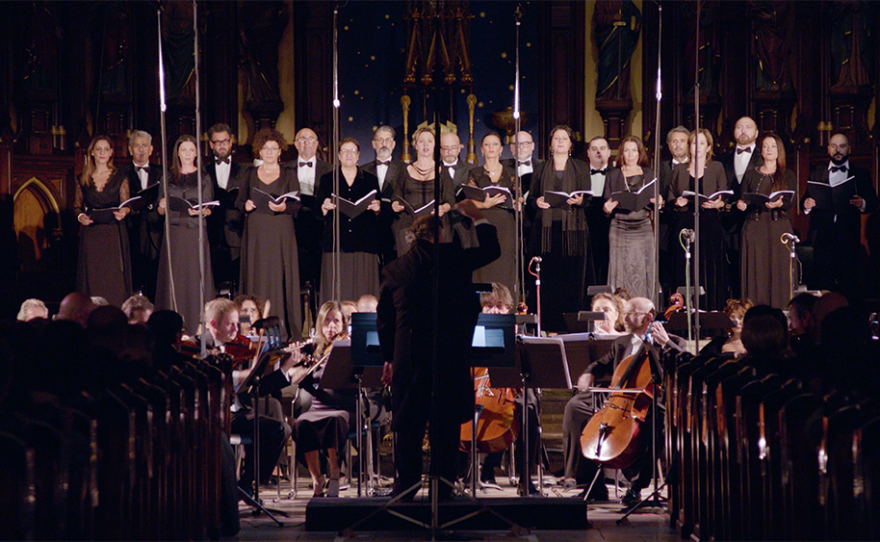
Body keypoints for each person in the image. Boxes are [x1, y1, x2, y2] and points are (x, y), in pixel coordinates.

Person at [377, 201, 501, 501]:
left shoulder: (396, 268)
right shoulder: (453, 259)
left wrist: (388, 358)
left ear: (414, 237)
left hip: (409, 355)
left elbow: (385, 319)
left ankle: (405, 487)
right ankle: (445, 487)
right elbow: (491, 250)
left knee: (408, 424)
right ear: (441, 234)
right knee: (445, 423)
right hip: (448, 353)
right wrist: (477, 217)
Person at [570, 297, 685, 505]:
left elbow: (685, 364)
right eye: (625, 312)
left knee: (656, 426)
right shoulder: (621, 343)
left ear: (649, 317)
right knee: (584, 417)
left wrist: (665, 344)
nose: (625, 317)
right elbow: (601, 363)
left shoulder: (674, 341)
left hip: (655, 404)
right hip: (621, 403)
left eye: (632, 312)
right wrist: (589, 373)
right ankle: (594, 486)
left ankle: (637, 486)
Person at [208, 298, 292, 496]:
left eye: (237, 324)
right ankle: (241, 487)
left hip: (237, 411)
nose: (236, 330)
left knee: (278, 429)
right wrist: (240, 376)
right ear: (213, 324)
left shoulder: (235, 345)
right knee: (270, 427)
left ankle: (247, 482)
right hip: (215, 414)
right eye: (230, 324)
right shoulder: (203, 346)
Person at [236, 128, 302, 339]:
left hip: (281, 231)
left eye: (274, 148)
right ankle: (251, 328)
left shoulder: (289, 174)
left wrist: (284, 207)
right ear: (259, 151)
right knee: (256, 274)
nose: (270, 152)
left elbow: (297, 204)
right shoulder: (249, 174)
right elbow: (238, 202)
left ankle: (283, 329)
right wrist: (245, 205)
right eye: (266, 148)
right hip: (256, 232)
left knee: (280, 276)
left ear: (280, 151)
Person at [530, 125, 595, 332]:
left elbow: (588, 199)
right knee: (548, 282)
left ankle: (572, 327)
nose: (559, 141)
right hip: (546, 233)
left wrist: (580, 201)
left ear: (570, 144)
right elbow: (531, 198)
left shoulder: (581, 167)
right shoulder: (540, 168)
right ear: (550, 144)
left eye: (564, 138)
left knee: (572, 280)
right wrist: (537, 201)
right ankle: (548, 325)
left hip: (573, 232)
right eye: (556, 138)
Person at [559, 293, 625, 494]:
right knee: (574, 407)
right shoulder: (585, 340)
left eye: (606, 310)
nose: (601, 315)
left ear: (616, 315)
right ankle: (573, 473)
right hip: (591, 392)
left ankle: (615, 473)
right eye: (597, 311)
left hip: (616, 393)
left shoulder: (623, 340)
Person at [288, 301, 353, 498]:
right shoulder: (312, 349)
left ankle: (335, 473)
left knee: (334, 421)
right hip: (318, 405)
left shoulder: (348, 346)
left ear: (343, 324)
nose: (331, 326)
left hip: (343, 404)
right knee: (301, 423)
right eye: (327, 321)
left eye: (336, 321)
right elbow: (290, 372)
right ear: (319, 324)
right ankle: (317, 478)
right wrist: (294, 367)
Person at [803, 132, 878, 299]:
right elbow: (805, 201)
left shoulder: (861, 174)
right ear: (828, 149)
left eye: (842, 146)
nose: (838, 150)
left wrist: (862, 203)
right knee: (824, 286)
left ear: (849, 149)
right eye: (834, 146)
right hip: (823, 239)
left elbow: (874, 201)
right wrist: (807, 205)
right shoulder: (816, 174)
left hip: (849, 238)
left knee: (849, 285)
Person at [155, 134, 215, 335]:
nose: (188, 154)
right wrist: (162, 205)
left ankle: (197, 325)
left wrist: (201, 211)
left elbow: (209, 208)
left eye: (191, 150)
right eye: (184, 150)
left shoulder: (204, 177)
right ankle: (170, 326)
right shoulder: (167, 177)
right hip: (174, 234)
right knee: (174, 278)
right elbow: (160, 210)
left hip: (195, 232)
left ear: (197, 152)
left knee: (195, 278)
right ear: (177, 153)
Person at [669, 128, 729, 310]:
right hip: (686, 223)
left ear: (708, 147)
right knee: (686, 267)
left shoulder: (717, 167)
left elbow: (724, 195)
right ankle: (684, 311)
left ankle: (710, 310)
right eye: (694, 143)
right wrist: (677, 201)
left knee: (710, 268)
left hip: (710, 223)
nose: (698, 147)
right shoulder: (679, 169)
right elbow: (671, 195)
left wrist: (719, 204)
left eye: (702, 143)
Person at [317, 138, 382, 304]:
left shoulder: (370, 179)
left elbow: (379, 209)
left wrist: (377, 207)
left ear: (358, 155)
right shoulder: (327, 179)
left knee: (363, 290)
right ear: (338, 155)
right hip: (337, 243)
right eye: (344, 151)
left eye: (353, 151)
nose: (348, 155)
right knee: (337, 290)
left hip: (363, 243)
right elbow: (317, 211)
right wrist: (324, 207)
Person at [735, 133, 796, 308]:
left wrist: (779, 203)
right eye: (766, 146)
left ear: (779, 151)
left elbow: (790, 201)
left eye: (773, 146)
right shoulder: (751, 174)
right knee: (756, 271)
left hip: (778, 228)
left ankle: (780, 311)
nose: (769, 150)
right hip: (755, 226)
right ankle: (753, 312)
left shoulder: (787, 174)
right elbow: (743, 198)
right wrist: (740, 204)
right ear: (761, 151)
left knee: (778, 270)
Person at [74, 134, 133, 308]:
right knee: (92, 277)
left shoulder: (120, 176)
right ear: (92, 152)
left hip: (113, 231)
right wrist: (80, 217)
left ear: (111, 153)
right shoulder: (82, 178)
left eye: (106, 149)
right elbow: (76, 207)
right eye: (98, 149)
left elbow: (127, 204)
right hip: (91, 234)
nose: (102, 153)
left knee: (113, 277)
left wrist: (125, 211)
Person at [603, 135, 659, 299]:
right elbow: (607, 200)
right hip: (620, 227)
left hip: (643, 227)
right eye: (626, 150)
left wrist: (659, 201)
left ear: (640, 153)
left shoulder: (649, 173)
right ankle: (619, 310)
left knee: (644, 268)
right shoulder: (613, 174)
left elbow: (656, 199)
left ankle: (645, 310)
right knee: (618, 269)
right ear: (622, 154)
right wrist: (607, 208)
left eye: (634, 150)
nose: (630, 154)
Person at [391, 127, 455, 255]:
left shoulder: (442, 171)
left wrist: (443, 208)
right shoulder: (405, 170)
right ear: (416, 145)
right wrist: (395, 205)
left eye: (430, 141)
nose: (426, 144)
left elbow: (451, 200)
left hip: (435, 225)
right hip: (410, 226)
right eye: (421, 141)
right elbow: (395, 198)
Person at [466, 132, 518, 290]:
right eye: (487, 144)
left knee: (505, 263)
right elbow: (469, 201)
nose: (491, 147)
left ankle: (506, 307)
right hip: (483, 222)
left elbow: (520, 197)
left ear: (501, 149)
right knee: (483, 265)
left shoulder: (511, 174)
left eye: (495, 144)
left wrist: (517, 203)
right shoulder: (474, 173)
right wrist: (485, 205)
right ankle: (483, 308)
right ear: (481, 149)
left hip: (505, 223)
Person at [719, 116, 763, 299]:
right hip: (728, 225)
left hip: (756, 223)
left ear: (757, 133)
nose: (743, 130)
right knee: (731, 273)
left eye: (748, 127)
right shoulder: (722, 160)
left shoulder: (764, 158)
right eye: (739, 127)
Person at [289, 127, 333, 300]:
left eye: (310, 139)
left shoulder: (330, 170)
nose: (306, 143)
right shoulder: (285, 168)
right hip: (292, 228)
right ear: (295, 144)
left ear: (317, 144)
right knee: (295, 278)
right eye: (302, 139)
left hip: (320, 230)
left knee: (320, 281)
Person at [123, 130, 163, 300]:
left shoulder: (162, 173)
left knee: (155, 279)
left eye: (144, 146)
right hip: (132, 231)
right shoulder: (121, 173)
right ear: (130, 149)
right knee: (133, 278)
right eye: (137, 146)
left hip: (156, 232)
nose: (141, 150)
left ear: (151, 149)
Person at [205, 123, 244, 294]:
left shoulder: (245, 170)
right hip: (211, 235)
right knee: (212, 284)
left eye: (225, 141)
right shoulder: (203, 172)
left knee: (239, 285)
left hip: (237, 235)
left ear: (231, 143)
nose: (222, 145)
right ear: (211, 145)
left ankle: (242, 321)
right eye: (218, 142)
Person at [361, 125, 405, 269]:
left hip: (395, 227)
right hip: (370, 227)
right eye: (380, 140)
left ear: (393, 144)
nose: (384, 144)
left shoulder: (405, 169)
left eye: (388, 140)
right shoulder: (362, 170)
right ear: (374, 144)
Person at [586, 137, 612, 286]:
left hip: (609, 225)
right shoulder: (581, 174)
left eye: (602, 148)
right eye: (594, 148)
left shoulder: (616, 174)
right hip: (586, 225)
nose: (598, 152)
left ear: (609, 152)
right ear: (588, 153)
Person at [439, 131, 477, 201]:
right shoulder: (433, 169)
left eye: (453, 147)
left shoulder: (471, 169)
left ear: (459, 148)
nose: (450, 152)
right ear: (440, 150)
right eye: (446, 148)